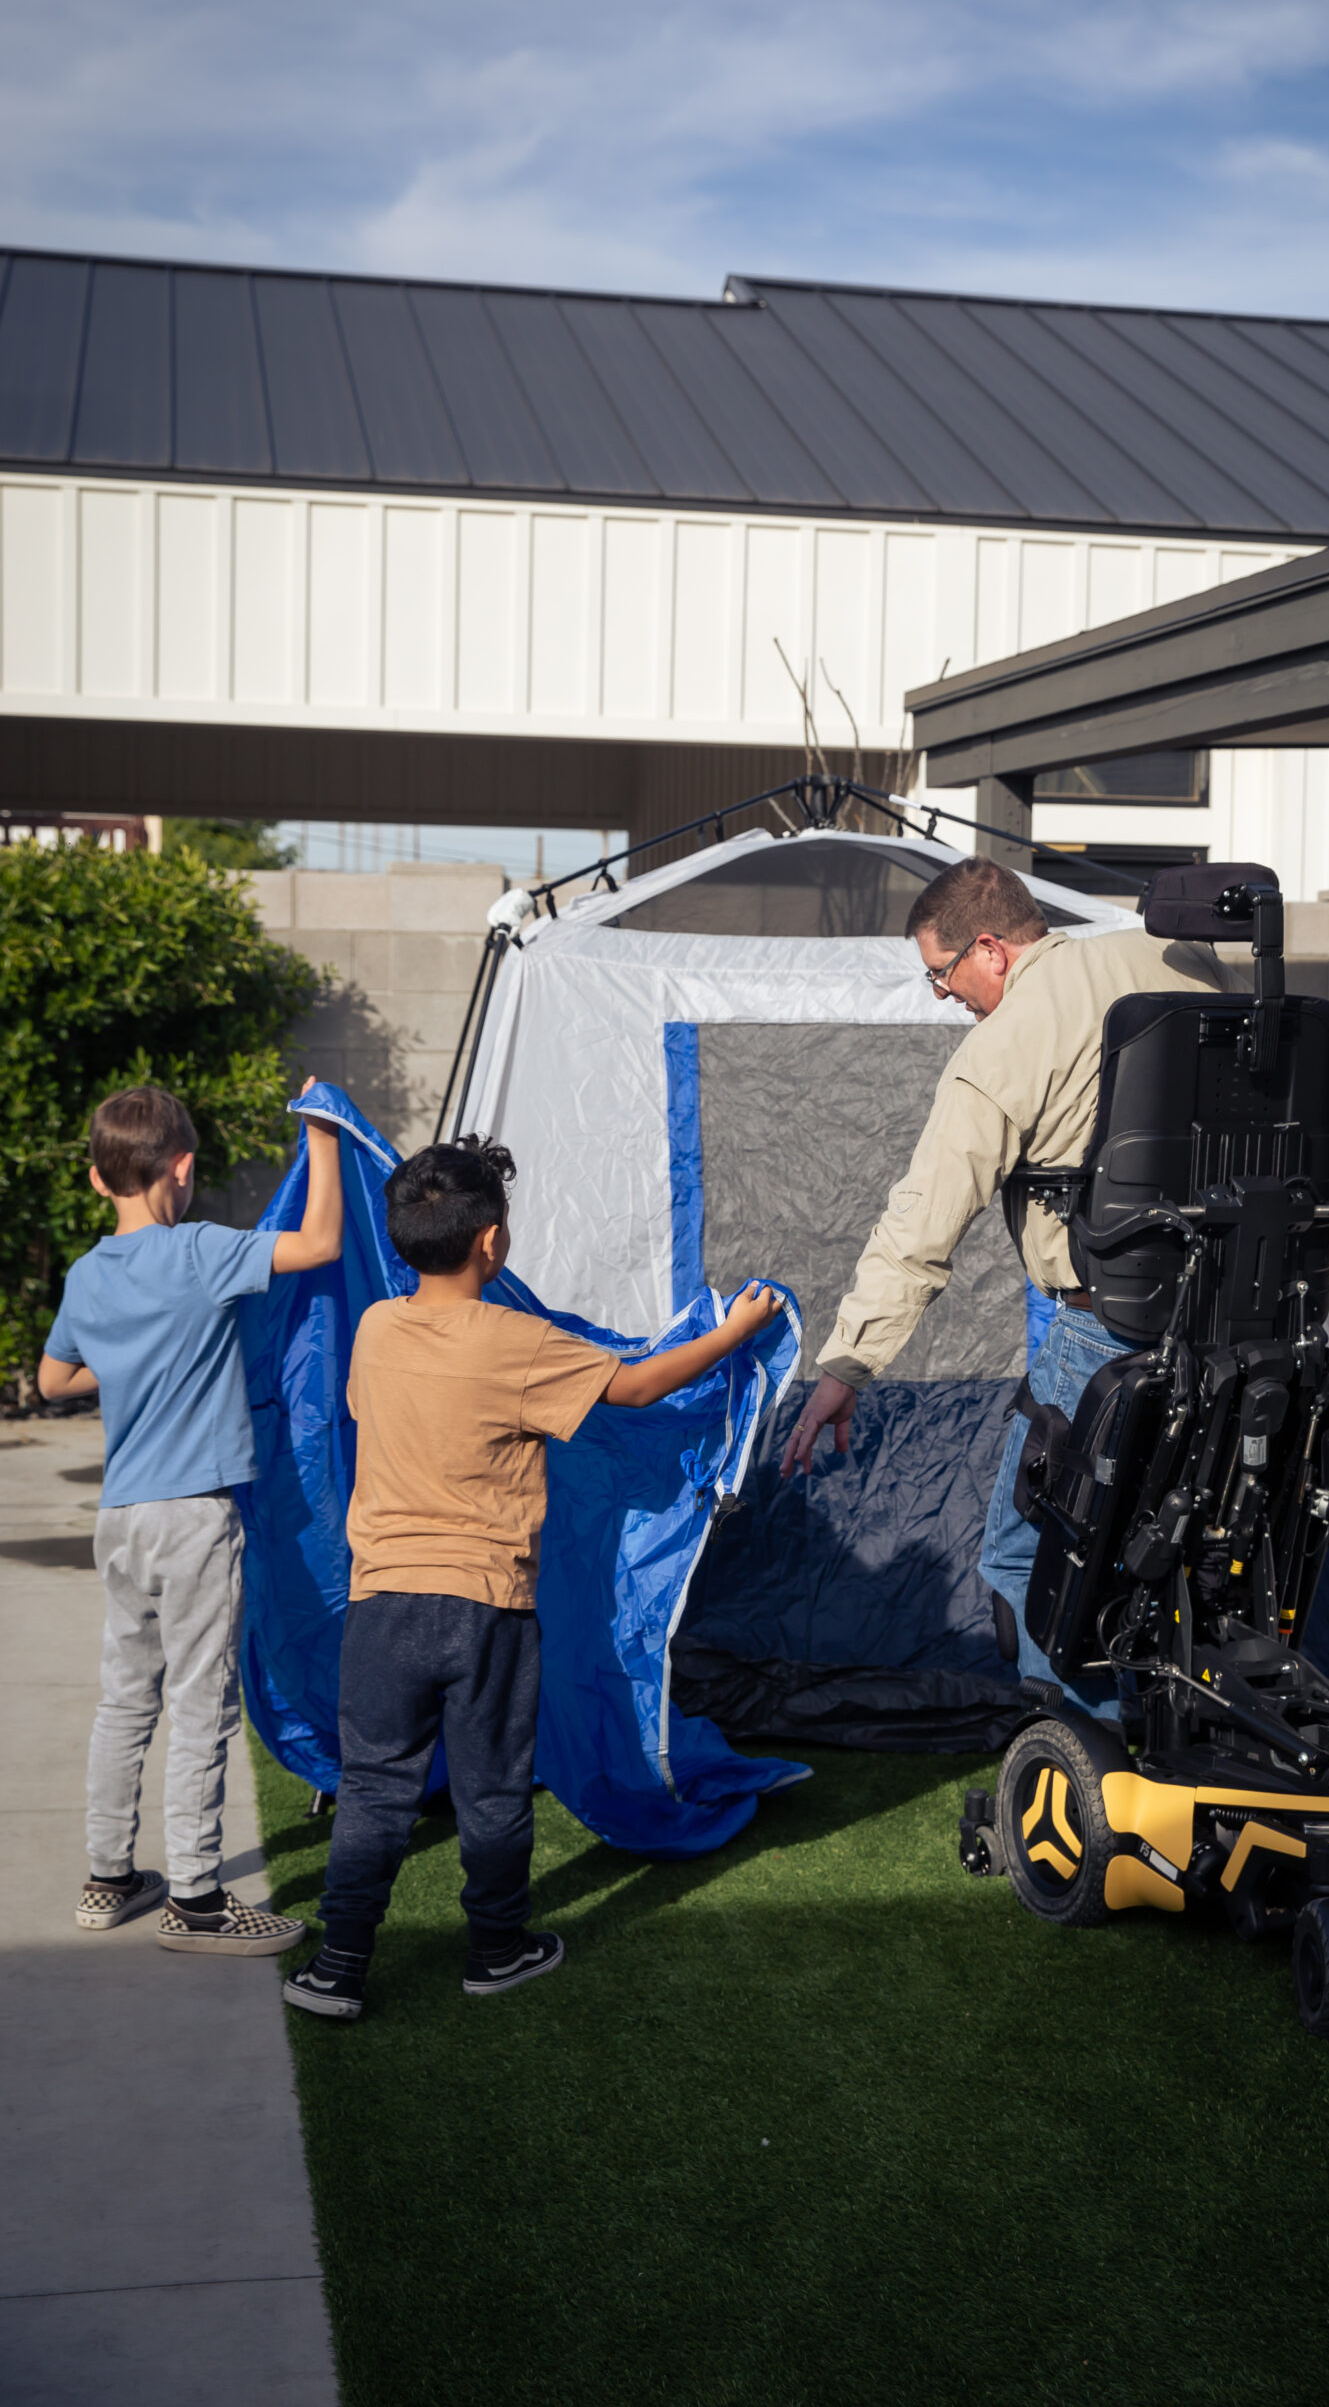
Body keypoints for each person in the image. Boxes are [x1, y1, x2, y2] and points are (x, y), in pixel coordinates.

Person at [284, 1135, 782, 2022]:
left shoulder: (374, 1329)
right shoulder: (518, 1342)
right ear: (490, 1242)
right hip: (484, 1607)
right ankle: (497, 1950)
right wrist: (732, 1332)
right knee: (490, 1790)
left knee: (374, 1791)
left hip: (383, 1605)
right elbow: (634, 1389)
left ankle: (338, 1965)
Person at [779, 856, 1225, 1716]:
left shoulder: (1000, 1048)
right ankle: (1186, 1735)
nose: (941, 996)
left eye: (940, 975)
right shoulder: (1178, 962)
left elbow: (920, 1228)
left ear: (988, 949)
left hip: (1111, 1334)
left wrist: (846, 1368)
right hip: (1242, 1325)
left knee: (1026, 1556)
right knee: (1192, 1545)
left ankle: (1085, 1765)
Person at [39, 1080, 345, 1952]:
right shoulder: (203, 1250)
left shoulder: (86, 1275)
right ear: (182, 1169)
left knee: (126, 1702)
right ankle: (199, 1901)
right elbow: (320, 1241)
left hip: (123, 1520)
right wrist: (322, 1132)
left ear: (98, 1182)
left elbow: (57, 1381)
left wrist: (130, 1364)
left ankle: (107, 1880)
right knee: (202, 1706)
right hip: (194, 1520)